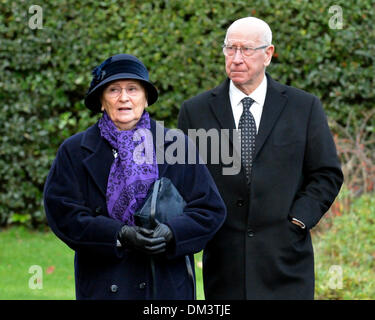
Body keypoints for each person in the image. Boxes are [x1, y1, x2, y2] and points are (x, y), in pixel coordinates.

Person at [178, 17, 344, 299]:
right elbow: (184, 179)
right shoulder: (195, 111)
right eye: (230, 49)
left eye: (247, 49)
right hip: (223, 261)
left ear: (268, 54)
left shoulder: (303, 107)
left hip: (286, 258)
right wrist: (201, 228)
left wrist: (299, 220)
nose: (237, 58)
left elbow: (326, 173)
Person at [44, 53, 226, 300]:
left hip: (165, 286)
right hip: (103, 284)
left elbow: (209, 209)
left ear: (146, 99)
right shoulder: (74, 150)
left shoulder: (175, 145)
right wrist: (118, 234)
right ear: (101, 101)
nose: (124, 98)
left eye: (133, 89)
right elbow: (63, 213)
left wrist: (172, 233)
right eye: (113, 90)